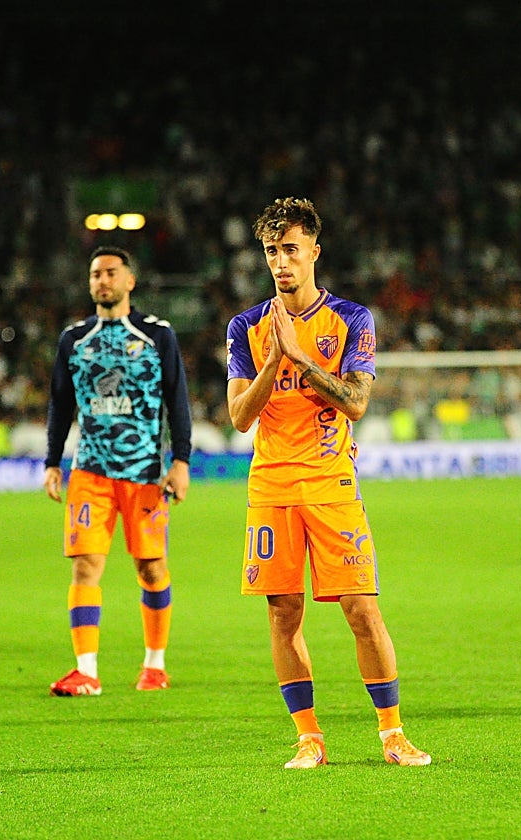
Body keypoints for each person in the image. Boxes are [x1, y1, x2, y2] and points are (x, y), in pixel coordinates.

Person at [226, 197, 431, 768]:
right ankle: (309, 738)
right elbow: (239, 416)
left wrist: (301, 359)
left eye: (290, 249)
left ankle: (392, 733)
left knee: (362, 610)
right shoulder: (246, 327)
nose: (281, 262)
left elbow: (357, 402)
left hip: (331, 482)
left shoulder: (351, 319)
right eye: (272, 251)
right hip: (271, 488)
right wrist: (274, 361)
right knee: (283, 614)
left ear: (315, 251)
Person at [44, 245, 192, 697]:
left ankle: (155, 665)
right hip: (89, 470)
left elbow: (177, 399)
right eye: (95, 274)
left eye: (110, 272)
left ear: (130, 281)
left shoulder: (156, 334)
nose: (102, 280)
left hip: (144, 472)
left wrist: (181, 461)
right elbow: (60, 404)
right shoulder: (74, 339)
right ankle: (86, 672)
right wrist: (52, 461)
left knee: (151, 568)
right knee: (85, 566)